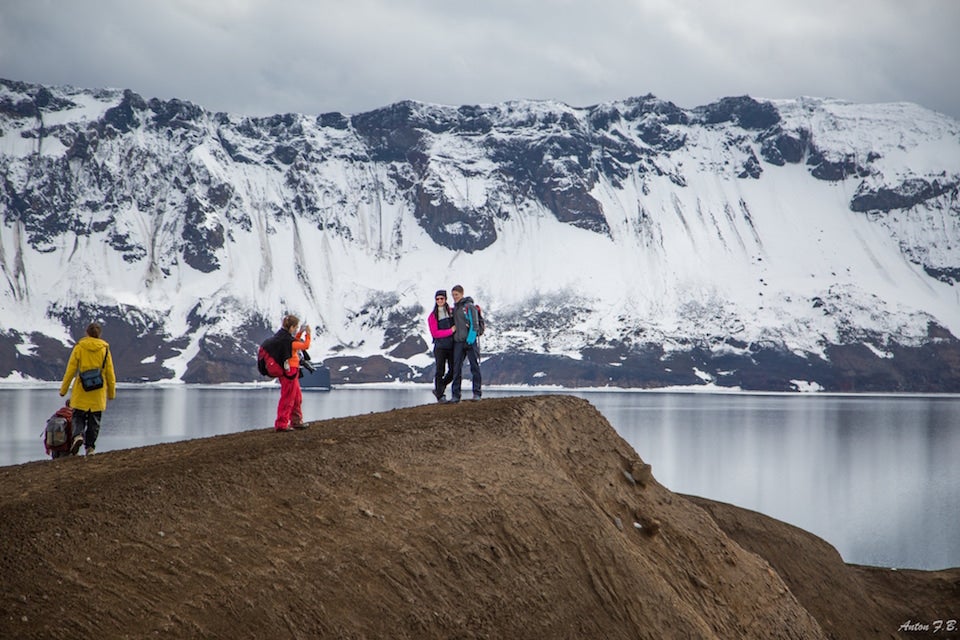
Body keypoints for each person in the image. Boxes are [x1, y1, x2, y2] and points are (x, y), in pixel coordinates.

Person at [59, 322, 116, 455]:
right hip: (98, 391)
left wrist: (63, 390)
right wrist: (111, 393)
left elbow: (71, 370)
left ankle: (78, 435)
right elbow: (110, 373)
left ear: (87, 333)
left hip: (81, 390)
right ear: (99, 334)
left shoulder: (80, 347)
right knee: (94, 421)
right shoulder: (105, 349)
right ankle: (90, 448)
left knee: (77, 416)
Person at [270, 314, 311, 432]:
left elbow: (295, 343)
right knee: (288, 398)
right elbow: (304, 345)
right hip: (289, 371)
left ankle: (296, 421)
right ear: (292, 327)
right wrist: (308, 334)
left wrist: (300, 334)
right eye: (296, 327)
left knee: (297, 397)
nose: (297, 329)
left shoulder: (283, 337)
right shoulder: (287, 340)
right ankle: (281, 424)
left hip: (291, 371)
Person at [450, 284, 482, 403]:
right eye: (453, 295)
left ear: (462, 294)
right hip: (458, 342)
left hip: (470, 342)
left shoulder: (469, 307)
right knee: (456, 368)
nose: (454, 297)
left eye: (456, 295)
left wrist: (470, 340)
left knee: (474, 367)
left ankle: (477, 393)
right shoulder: (455, 308)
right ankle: (456, 395)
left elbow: (475, 325)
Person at [427, 289, 455, 403]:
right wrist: (450, 331)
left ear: (445, 299)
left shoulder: (452, 311)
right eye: (437, 299)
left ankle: (439, 388)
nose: (439, 300)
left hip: (452, 346)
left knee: (454, 370)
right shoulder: (432, 316)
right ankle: (440, 396)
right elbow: (435, 333)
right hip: (440, 347)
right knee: (440, 371)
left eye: (441, 298)